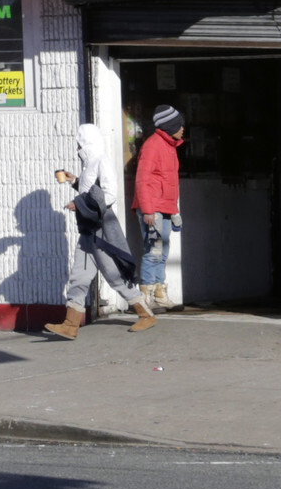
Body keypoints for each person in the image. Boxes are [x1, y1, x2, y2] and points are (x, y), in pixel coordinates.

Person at [44, 124, 157, 339]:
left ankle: (146, 314)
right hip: (89, 230)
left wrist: (79, 204)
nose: (78, 147)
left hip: (100, 231)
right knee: (79, 276)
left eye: (80, 143)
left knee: (113, 277)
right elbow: (91, 192)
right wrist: (74, 181)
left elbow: (109, 195)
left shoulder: (101, 161)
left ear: (86, 142)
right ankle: (70, 324)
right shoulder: (89, 164)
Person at [133, 104, 184, 311]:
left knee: (162, 252)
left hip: (163, 208)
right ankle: (146, 296)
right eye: (179, 125)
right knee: (153, 250)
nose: (183, 129)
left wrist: (175, 211)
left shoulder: (170, 147)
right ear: (169, 125)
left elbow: (170, 182)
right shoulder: (153, 146)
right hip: (152, 209)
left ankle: (160, 294)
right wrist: (147, 210)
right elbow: (142, 180)